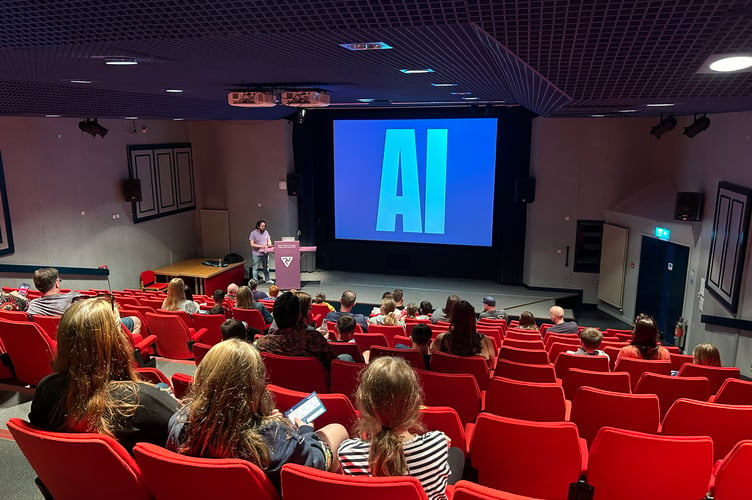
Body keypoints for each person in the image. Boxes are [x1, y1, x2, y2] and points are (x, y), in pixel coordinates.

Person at [168, 339, 348, 491]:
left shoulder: (180, 422)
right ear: (256, 386)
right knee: (337, 429)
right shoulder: (275, 435)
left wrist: (264, 419)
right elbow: (313, 464)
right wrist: (305, 431)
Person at [29, 297, 179, 452]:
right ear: (116, 343)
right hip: (134, 474)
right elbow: (188, 437)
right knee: (163, 389)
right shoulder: (139, 399)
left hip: (71, 473)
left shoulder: (47, 388)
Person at [338, 357, 458, 500]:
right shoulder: (437, 444)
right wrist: (440, 442)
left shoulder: (347, 453)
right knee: (457, 454)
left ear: (364, 404)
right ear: (414, 403)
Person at [26, 267, 141, 334]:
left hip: (60, 342)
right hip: (89, 334)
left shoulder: (33, 306)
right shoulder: (75, 299)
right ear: (56, 283)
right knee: (136, 321)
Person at [256, 292, 337, 372]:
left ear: (275, 317)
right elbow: (333, 363)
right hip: (314, 384)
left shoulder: (262, 344)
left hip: (276, 383)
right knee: (345, 357)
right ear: (299, 316)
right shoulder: (314, 339)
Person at [431, 300, 495, 368]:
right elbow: (491, 366)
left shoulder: (441, 339)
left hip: (446, 377)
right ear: (473, 319)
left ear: (453, 318)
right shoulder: (485, 341)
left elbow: (434, 362)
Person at [249, 219, 273, 283]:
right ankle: (255, 282)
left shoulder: (266, 232)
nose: (263, 228)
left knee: (266, 267)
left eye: (264, 226)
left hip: (265, 253)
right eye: (262, 226)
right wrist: (261, 246)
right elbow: (252, 244)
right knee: (255, 268)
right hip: (256, 254)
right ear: (258, 226)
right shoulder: (253, 233)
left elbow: (268, 239)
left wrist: (269, 244)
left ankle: (267, 279)